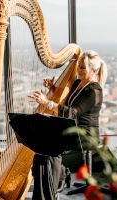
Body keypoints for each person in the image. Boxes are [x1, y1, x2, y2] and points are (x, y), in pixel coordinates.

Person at [29, 50, 107, 200]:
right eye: (79, 66)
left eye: (83, 68)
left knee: (48, 151)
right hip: (70, 128)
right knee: (40, 149)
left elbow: (72, 112)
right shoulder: (78, 83)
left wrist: (46, 102)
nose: (78, 70)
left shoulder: (94, 91)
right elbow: (66, 101)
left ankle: (53, 188)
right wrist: (53, 88)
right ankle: (55, 182)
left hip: (84, 135)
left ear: (94, 70)